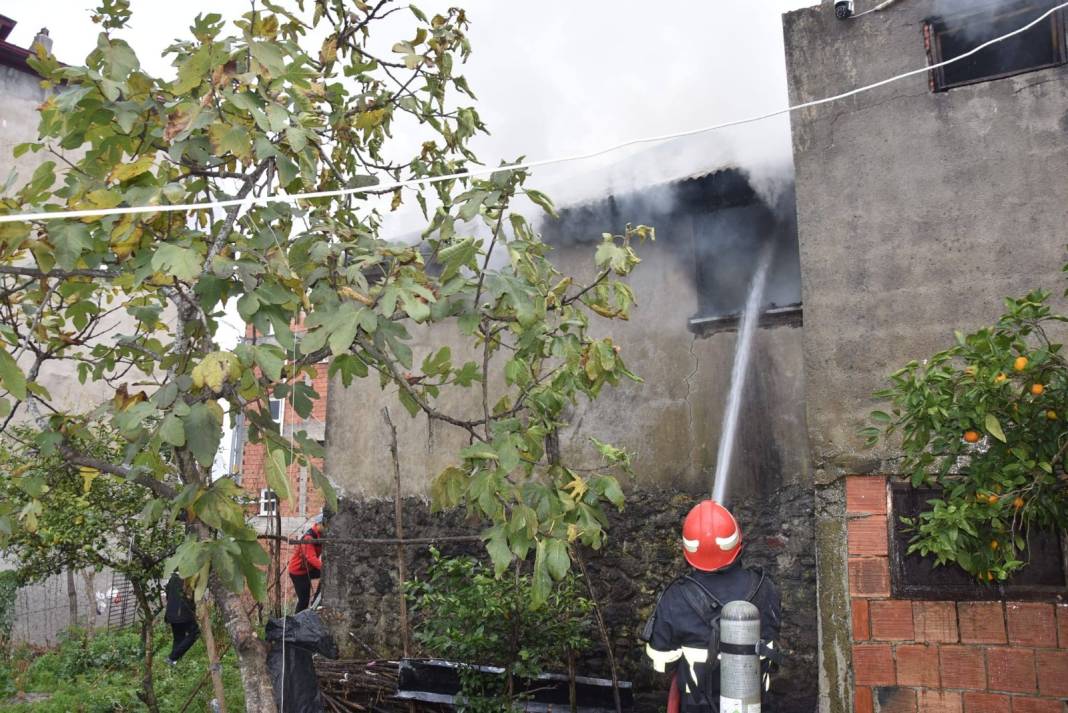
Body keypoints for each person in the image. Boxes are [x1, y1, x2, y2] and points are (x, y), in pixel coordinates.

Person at [643, 500, 782, 712]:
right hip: (756, 705)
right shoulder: (766, 588)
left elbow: (661, 662)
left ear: (687, 551)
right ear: (738, 543)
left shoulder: (675, 597)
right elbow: (772, 640)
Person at [288, 514, 324, 613]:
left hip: (309, 569)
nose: (327, 527)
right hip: (298, 572)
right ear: (318, 524)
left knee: (326, 575)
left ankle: (317, 602)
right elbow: (311, 558)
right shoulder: (309, 537)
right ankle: (297, 623)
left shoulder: (320, 535)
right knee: (303, 601)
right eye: (325, 525)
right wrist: (325, 567)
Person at [164, 572, 199, 664]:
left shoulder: (173, 578)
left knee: (178, 637)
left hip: (171, 613)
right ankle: (172, 657)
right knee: (195, 633)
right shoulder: (189, 577)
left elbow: (167, 594)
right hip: (183, 613)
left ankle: (173, 661)